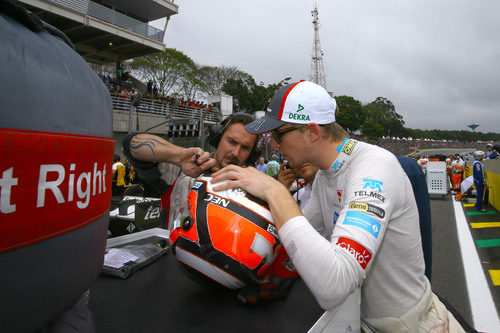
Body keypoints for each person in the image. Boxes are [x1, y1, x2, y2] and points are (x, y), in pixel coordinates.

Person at [211, 81, 464, 332]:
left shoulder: (375, 168)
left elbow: (335, 284)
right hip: (358, 321)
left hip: (410, 327)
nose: (274, 144)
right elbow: (292, 242)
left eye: (278, 134)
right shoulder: (325, 175)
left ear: (312, 132)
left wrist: (274, 190)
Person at [123, 113, 299, 304]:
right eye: (231, 141)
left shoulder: (257, 187)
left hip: (231, 290)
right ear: (217, 138)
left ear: (253, 153)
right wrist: (179, 155)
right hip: (172, 279)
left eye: (245, 148)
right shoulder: (183, 171)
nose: (236, 153)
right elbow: (130, 144)